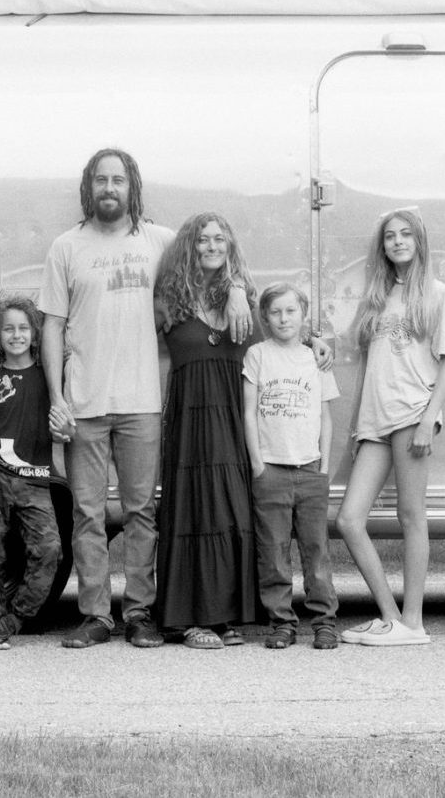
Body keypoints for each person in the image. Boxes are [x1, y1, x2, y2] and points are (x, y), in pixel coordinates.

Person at [40, 148, 252, 649]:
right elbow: (51, 325)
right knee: (87, 517)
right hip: (85, 403)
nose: (109, 188)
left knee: (141, 513)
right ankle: (95, 615)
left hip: (145, 402)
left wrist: (239, 287)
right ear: (88, 188)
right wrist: (56, 397)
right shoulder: (66, 247)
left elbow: (213, 251)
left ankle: (138, 612)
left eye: (118, 180)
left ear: (132, 186)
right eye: (100, 180)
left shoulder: (159, 241)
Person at [335, 208, 445, 647]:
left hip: (412, 414)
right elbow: (369, 365)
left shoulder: (440, 294)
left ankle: (415, 620)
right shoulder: (378, 296)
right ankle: (392, 618)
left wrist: (429, 420)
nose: (398, 242)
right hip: (375, 420)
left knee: (411, 516)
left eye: (406, 234)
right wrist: (356, 428)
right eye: (390, 237)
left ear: (419, 241)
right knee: (349, 519)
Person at [151, 212, 261, 649]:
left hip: (233, 415)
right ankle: (188, 618)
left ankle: (223, 614)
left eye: (220, 239)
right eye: (203, 240)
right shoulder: (168, 299)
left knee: (230, 510)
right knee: (192, 510)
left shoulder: (241, 296)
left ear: (230, 246)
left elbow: (278, 333)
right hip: (190, 415)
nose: (212, 246)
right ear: (188, 247)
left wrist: (314, 340)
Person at [242, 281, 342, 651]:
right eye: (275, 312)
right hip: (272, 469)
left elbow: (327, 419)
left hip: (310, 468)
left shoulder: (316, 359)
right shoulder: (258, 355)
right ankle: (281, 621)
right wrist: (257, 464)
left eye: (291, 311)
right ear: (265, 318)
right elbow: (249, 412)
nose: (284, 318)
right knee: (274, 550)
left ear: (303, 316)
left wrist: (324, 467)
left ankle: (324, 620)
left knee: (316, 551)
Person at [0, 295, 63, 650]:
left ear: (35, 335)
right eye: (8, 329)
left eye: (23, 328)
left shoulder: (49, 379)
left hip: (34, 479)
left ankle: (13, 618)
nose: (16, 335)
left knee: (49, 549)